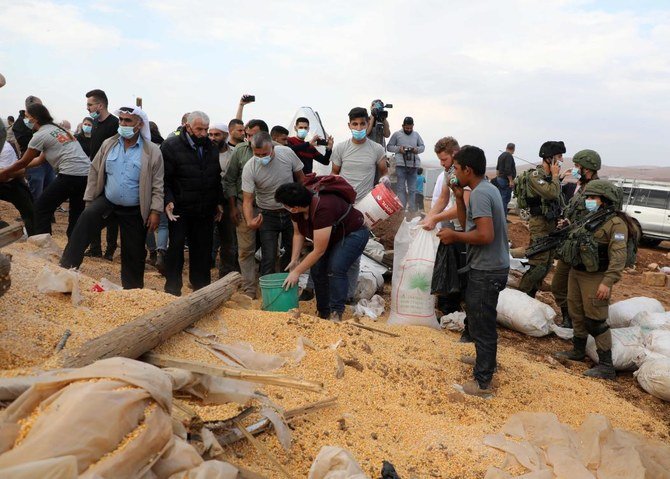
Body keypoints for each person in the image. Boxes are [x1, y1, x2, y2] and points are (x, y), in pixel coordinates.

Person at [60, 106, 163, 289]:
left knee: (133, 253)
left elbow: (157, 183)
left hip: (135, 208)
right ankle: (65, 270)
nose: (123, 124)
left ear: (139, 125)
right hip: (108, 202)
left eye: (128, 121)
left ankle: (133, 292)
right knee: (84, 223)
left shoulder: (152, 151)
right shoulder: (109, 144)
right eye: (121, 120)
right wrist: (89, 200)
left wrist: (155, 210)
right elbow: (94, 171)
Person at [435, 145, 510, 397]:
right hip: (490, 266)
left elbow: (484, 235)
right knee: (479, 318)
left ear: (468, 169)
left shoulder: (480, 194)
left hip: (488, 269)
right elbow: (471, 223)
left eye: (456, 168)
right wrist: (458, 196)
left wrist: (453, 236)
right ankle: (485, 361)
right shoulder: (485, 189)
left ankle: (483, 381)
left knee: (481, 321)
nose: (453, 172)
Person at [554, 180, 636, 380]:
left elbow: (618, 256)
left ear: (605, 200)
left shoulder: (616, 224)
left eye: (592, 198)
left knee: (596, 320)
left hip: (596, 276)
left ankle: (606, 365)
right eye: (588, 197)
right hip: (577, 272)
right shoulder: (592, 217)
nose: (588, 201)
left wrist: (607, 282)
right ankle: (578, 350)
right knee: (576, 313)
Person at [276, 181, 368, 321]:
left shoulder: (323, 208)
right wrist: (294, 259)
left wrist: (296, 272)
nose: (283, 207)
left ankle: (336, 312)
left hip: (354, 233)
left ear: (294, 208)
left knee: (336, 267)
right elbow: (298, 233)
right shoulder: (296, 212)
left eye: (284, 205)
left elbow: (319, 250)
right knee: (317, 269)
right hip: (333, 235)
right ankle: (323, 312)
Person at [0, 103, 90, 237]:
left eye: (27, 117)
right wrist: (13, 171)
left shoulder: (40, 135)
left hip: (70, 174)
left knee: (41, 208)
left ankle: (43, 244)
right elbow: (39, 160)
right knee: (76, 213)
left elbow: (24, 161)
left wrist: (5, 172)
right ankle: (73, 249)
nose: (25, 120)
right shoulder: (57, 130)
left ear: (35, 119)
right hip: (86, 174)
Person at [162, 111, 224, 296]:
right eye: (199, 129)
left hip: (204, 208)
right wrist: (168, 200)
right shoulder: (171, 146)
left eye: (206, 129)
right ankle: (172, 290)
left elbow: (215, 176)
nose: (204, 133)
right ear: (188, 127)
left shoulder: (211, 147)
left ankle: (201, 291)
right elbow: (164, 179)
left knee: (202, 251)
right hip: (180, 209)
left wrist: (218, 202)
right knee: (176, 249)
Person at [331, 107, 388, 301]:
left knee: (354, 253)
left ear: (367, 124)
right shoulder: (340, 148)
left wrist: (384, 181)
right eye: (354, 124)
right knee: (332, 246)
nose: (358, 127)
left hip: (364, 207)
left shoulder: (377, 149)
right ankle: (326, 289)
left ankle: (347, 295)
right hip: (341, 205)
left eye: (362, 124)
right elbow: (334, 175)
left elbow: (384, 171)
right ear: (349, 125)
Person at [422, 137, 471, 340]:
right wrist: (429, 217)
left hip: (466, 231)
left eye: (444, 159)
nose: (442, 163)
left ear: (455, 154)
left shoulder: (465, 173)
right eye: (440, 160)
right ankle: (449, 308)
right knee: (450, 269)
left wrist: (436, 218)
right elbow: (443, 199)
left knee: (463, 272)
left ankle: (463, 315)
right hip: (451, 229)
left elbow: (463, 207)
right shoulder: (448, 171)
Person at [241, 131, 305, 277]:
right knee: (268, 256)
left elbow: (302, 179)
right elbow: (248, 200)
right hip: (267, 215)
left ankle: (286, 284)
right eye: (257, 154)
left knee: (292, 251)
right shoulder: (250, 168)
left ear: (273, 148)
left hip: (291, 212)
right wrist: (250, 220)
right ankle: (268, 291)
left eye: (265, 154)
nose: (261, 158)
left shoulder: (287, 153)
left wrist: (303, 207)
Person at [551, 149, 602, 328]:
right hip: (571, 243)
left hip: (585, 246)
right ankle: (568, 317)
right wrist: (566, 222)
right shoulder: (580, 186)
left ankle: (578, 324)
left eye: (577, 166)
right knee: (558, 285)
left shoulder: (597, 189)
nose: (574, 169)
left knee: (581, 291)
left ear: (588, 168)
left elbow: (596, 218)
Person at [224, 119, 269, 297]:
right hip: (244, 205)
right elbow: (229, 179)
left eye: (253, 135)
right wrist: (233, 206)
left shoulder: (275, 151)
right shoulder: (240, 151)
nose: (249, 139)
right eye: (247, 135)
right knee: (245, 250)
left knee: (270, 249)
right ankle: (249, 288)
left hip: (268, 208)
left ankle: (268, 285)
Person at [516, 141, 565, 297]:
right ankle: (521, 295)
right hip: (539, 223)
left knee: (548, 262)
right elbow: (551, 193)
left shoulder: (551, 177)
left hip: (551, 223)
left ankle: (531, 293)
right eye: (559, 156)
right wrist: (556, 177)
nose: (561, 160)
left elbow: (558, 199)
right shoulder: (535, 176)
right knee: (539, 263)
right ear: (549, 158)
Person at [85, 89, 120, 260]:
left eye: (90, 105)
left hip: (109, 174)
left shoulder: (115, 124)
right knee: (92, 210)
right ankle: (95, 248)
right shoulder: (96, 123)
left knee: (111, 213)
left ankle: (110, 250)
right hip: (95, 171)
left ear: (100, 105)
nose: (88, 108)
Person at [209, 122, 239, 278]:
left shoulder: (234, 153)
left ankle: (226, 276)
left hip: (228, 201)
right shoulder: (204, 152)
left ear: (226, 135)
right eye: (211, 134)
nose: (213, 138)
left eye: (217, 134)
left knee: (228, 240)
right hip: (208, 200)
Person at [12, 97, 56, 201]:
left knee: (49, 192)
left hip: (46, 161)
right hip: (32, 162)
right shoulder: (20, 123)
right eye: (39, 106)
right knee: (36, 194)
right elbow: (24, 143)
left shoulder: (43, 122)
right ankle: (34, 215)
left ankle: (48, 216)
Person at [386, 117, 425, 212]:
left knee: (412, 189)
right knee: (401, 188)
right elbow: (389, 147)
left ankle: (411, 209)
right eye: (407, 128)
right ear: (403, 126)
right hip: (400, 165)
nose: (409, 130)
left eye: (410, 128)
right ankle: (402, 209)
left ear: (413, 126)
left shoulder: (416, 135)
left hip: (414, 165)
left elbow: (422, 147)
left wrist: (416, 150)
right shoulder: (397, 134)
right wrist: (399, 149)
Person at [0, 140, 36, 235]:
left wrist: (19, 171)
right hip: (7, 176)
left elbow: (4, 175)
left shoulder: (5, 148)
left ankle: (35, 235)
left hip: (10, 181)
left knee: (29, 211)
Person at [495, 143, 516, 220]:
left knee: (502, 199)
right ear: (513, 149)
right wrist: (511, 181)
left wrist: (498, 178)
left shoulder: (501, 156)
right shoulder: (509, 156)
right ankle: (503, 218)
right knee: (505, 199)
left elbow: (497, 169)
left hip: (500, 179)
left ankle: (502, 217)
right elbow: (508, 169)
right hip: (505, 180)